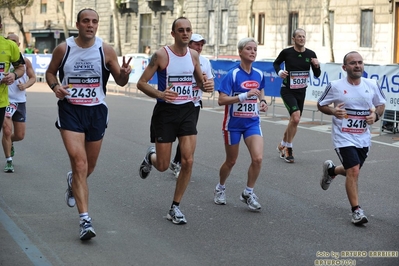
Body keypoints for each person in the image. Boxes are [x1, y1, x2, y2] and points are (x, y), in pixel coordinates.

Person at [45, 8, 132, 240]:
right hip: (71, 110)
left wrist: (124, 74)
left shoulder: (105, 50)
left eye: (94, 21)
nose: (90, 25)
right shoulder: (64, 49)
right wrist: (56, 87)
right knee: (80, 162)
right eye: (86, 21)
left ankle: (73, 181)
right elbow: (50, 73)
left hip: (96, 112)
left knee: (88, 167)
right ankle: (85, 220)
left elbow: (121, 82)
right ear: (77, 24)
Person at [137, 17, 211, 225]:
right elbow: (142, 83)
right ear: (173, 33)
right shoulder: (162, 55)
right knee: (162, 165)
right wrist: (160, 94)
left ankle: (175, 207)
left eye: (188, 30)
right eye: (181, 30)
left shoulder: (194, 55)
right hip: (166, 113)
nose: (185, 33)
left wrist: (206, 85)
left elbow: (199, 83)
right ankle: (150, 156)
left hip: (188, 110)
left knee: (187, 161)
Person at [317, 51, 386, 225]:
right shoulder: (335, 85)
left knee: (351, 170)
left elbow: (381, 104)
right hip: (343, 136)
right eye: (353, 63)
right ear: (344, 67)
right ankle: (356, 211)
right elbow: (321, 104)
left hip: (363, 137)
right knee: (354, 170)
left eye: (360, 62)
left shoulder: (371, 84)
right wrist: (333, 111)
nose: (357, 65)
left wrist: (376, 117)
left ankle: (331, 171)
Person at [213, 37, 268, 211]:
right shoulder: (233, 74)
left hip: (252, 122)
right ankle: (220, 187)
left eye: (255, 49)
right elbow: (221, 100)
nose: (253, 52)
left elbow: (261, 91)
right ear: (240, 52)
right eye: (249, 49)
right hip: (233, 124)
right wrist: (243, 96)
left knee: (258, 158)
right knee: (231, 161)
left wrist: (264, 100)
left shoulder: (259, 74)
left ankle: (248, 192)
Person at [169, 33, 215, 178]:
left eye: (202, 44)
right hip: (176, 104)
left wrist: (207, 84)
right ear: (189, 44)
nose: (199, 47)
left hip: (193, 104)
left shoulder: (205, 62)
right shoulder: (180, 59)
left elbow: (210, 85)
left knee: (187, 136)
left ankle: (179, 164)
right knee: (175, 136)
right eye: (197, 44)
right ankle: (168, 159)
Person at [273, 28, 321, 163]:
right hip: (288, 90)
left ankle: (282, 143)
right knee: (295, 117)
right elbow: (276, 63)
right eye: (299, 36)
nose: (301, 38)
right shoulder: (287, 52)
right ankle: (288, 148)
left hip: (301, 91)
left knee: (294, 120)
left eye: (303, 36)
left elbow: (317, 75)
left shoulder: (311, 54)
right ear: (293, 39)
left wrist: (317, 66)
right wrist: (279, 72)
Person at [2, 33, 36, 173]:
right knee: (7, 130)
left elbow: (33, 77)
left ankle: (11, 143)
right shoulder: (2, 57)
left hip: (20, 101)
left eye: (15, 41)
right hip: (6, 100)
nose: (12, 43)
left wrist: (25, 85)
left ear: (19, 44)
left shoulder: (25, 61)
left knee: (20, 135)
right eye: (10, 41)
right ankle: (8, 160)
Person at [0, 16, 26, 136]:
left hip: (1, 102)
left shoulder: (10, 45)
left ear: (0, 26)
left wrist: (13, 75)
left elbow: (21, 68)